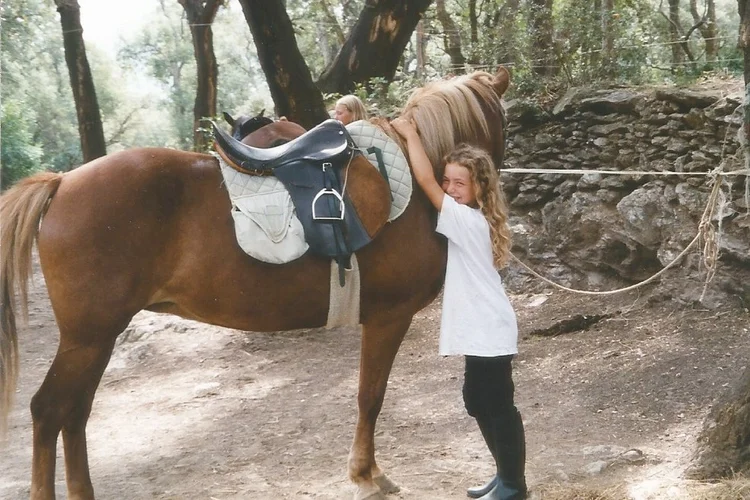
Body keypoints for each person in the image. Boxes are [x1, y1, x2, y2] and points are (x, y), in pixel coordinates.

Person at [391, 117, 527, 500]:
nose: (450, 189)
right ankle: (503, 476)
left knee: (497, 407)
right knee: (478, 402)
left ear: (479, 186)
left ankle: (515, 486)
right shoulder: (469, 216)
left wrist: (412, 134)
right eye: (448, 180)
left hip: (489, 329)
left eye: (459, 183)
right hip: (482, 328)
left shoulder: (466, 220)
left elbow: (424, 182)